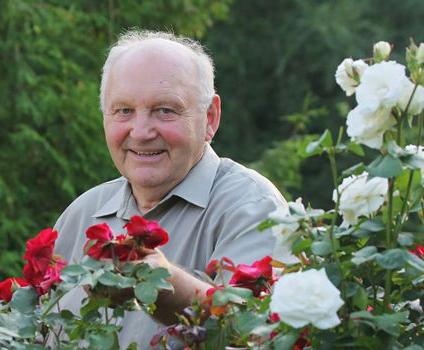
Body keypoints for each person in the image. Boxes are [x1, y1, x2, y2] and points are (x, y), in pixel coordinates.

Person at [53, 29, 286, 348]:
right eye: (124, 111)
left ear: (210, 118)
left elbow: (258, 333)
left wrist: (166, 287)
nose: (142, 131)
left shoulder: (254, 208)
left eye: (165, 110)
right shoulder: (80, 217)